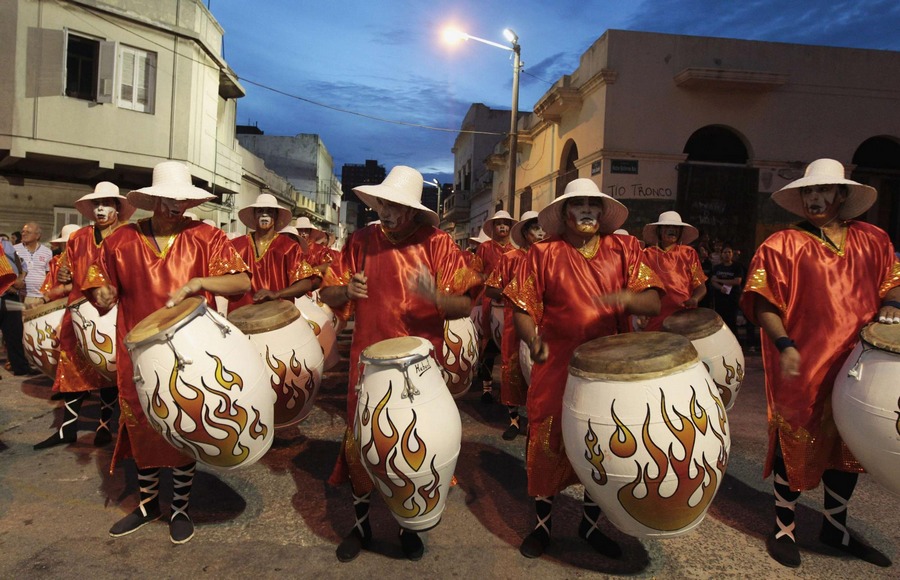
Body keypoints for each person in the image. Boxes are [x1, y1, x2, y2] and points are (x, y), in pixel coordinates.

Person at [740, 158, 898, 569]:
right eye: (809, 192)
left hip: (857, 365)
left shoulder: (874, 239)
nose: (815, 198)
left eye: (823, 191)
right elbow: (762, 302)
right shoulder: (780, 245)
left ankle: (835, 528)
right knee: (794, 444)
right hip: (802, 363)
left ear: (841, 195)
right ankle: (783, 528)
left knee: (847, 446)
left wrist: (893, 305)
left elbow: (892, 283)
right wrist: (784, 343)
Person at [319, 165, 479, 563]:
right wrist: (346, 290)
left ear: (412, 209)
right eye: (381, 203)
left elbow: (466, 302)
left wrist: (438, 298)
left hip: (421, 368)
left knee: (414, 447)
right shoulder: (360, 241)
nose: (386, 210)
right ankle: (361, 526)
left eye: (395, 205)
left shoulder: (438, 244)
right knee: (362, 443)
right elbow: (328, 292)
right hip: (368, 362)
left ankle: (409, 524)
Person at [84, 161, 250, 545]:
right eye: (170, 201)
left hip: (193, 352)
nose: (177, 208)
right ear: (154, 200)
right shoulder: (120, 240)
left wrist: (200, 281)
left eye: (183, 202)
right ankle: (147, 505)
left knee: (183, 424)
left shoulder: (206, 237)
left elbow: (241, 280)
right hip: (138, 352)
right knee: (142, 426)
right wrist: (103, 295)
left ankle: (179, 507)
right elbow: (101, 289)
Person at [505, 178, 663, 559]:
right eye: (579, 204)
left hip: (608, 368)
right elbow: (523, 310)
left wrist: (627, 298)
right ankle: (543, 528)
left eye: (593, 204)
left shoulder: (623, 248)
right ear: (565, 213)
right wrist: (532, 339)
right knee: (545, 442)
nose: (588, 210)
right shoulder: (542, 253)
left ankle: (590, 526)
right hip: (556, 364)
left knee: (603, 444)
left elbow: (654, 303)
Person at [34, 183, 134, 449]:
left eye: (107, 204)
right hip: (77, 312)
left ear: (117, 207)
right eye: (96, 205)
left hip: (113, 313)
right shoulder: (77, 237)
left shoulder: (127, 236)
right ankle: (68, 429)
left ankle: (104, 426)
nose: (100, 209)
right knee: (72, 370)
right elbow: (66, 270)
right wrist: (65, 274)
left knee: (109, 369)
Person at [483, 210, 544, 440]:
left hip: (544, 323)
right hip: (513, 322)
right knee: (513, 371)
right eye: (536, 229)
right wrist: (511, 293)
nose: (541, 233)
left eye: (543, 229)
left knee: (541, 371)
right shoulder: (510, 258)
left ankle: (537, 422)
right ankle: (514, 420)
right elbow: (490, 289)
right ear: (526, 233)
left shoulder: (552, 256)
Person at [229, 194, 320, 311]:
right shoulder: (235, 245)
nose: (264, 214)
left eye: (269, 211)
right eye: (260, 211)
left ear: (276, 216)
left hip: (278, 317)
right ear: (254, 215)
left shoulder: (290, 247)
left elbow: (305, 283)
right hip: (240, 316)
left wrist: (277, 294)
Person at [474, 210, 517, 404]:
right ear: (493, 227)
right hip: (487, 301)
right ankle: (486, 388)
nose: (502, 227)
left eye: (506, 224)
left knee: (511, 347)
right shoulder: (484, 247)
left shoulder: (514, 249)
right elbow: (475, 271)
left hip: (510, 301)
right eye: (499, 223)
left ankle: (510, 390)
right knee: (487, 345)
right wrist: (484, 279)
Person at [638, 211, 707, 331]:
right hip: (654, 318)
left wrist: (695, 299)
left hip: (683, 317)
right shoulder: (646, 254)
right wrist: (641, 312)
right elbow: (640, 288)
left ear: (680, 232)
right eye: (667, 227)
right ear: (659, 230)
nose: (672, 230)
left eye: (676, 227)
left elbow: (701, 288)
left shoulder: (689, 253)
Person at [1, 236, 37, 376]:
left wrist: (20, 278)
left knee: (15, 333)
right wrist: (8, 286)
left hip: (11, 295)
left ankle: (21, 367)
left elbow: (19, 263)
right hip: (5, 291)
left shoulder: (5, 244)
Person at [709, 243, 746, 335]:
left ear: (732, 254)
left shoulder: (737, 266)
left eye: (729, 252)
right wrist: (721, 287)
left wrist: (719, 280)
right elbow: (713, 281)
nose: (727, 254)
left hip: (733, 297)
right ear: (721, 254)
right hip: (720, 297)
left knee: (732, 320)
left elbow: (737, 281)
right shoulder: (717, 267)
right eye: (725, 252)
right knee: (720, 319)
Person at [15, 222, 54, 308]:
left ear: (37, 236)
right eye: (23, 232)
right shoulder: (14, 249)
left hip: (40, 298)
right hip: (20, 296)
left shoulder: (47, 252)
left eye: (28, 232)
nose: (24, 234)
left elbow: (49, 274)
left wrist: (46, 296)